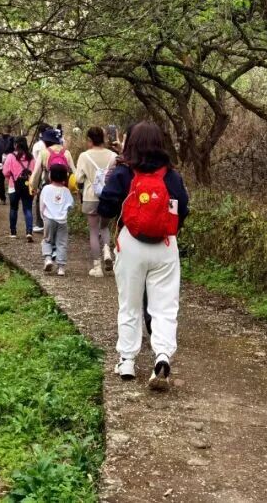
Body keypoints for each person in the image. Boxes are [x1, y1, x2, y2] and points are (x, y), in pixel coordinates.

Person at [98, 122, 189, 389]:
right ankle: (162, 356)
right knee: (164, 306)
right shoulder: (171, 175)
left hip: (131, 244)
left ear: (131, 144)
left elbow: (105, 207)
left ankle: (127, 361)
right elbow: (183, 208)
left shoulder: (124, 172)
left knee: (129, 303)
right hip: (165, 245)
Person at [76, 126, 118, 277]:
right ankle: (107, 251)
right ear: (103, 138)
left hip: (91, 197)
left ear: (90, 139)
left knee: (93, 231)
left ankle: (97, 268)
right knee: (105, 227)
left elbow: (79, 179)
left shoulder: (84, 156)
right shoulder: (113, 156)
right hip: (108, 196)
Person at [39, 163, 75, 276]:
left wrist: (43, 216)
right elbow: (71, 205)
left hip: (49, 219)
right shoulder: (66, 191)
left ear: (50, 175)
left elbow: (42, 205)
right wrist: (64, 211)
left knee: (47, 240)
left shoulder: (46, 188)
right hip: (62, 221)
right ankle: (61, 268)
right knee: (61, 243)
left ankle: (48, 258)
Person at [3, 136, 35, 239]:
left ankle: (13, 233)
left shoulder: (11, 156)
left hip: (14, 186)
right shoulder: (31, 157)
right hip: (28, 186)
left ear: (16, 144)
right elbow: (35, 172)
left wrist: (12, 177)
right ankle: (29, 232)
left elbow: (5, 172)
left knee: (13, 208)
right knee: (28, 209)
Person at [0, 126, 16, 204]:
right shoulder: (12, 139)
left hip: (3, 161)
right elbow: (15, 150)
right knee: (11, 178)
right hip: (8, 161)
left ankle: (3, 198)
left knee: (1, 180)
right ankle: (11, 196)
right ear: (10, 131)